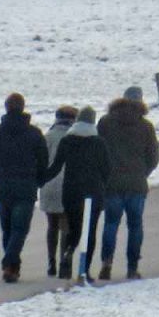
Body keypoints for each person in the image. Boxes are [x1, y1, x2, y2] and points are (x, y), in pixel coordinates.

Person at [0, 92, 49, 284]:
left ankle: (11, 267)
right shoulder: (34, 133)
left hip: (2, 185)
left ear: (6, 108)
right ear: (23, 108)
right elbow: (43, 160)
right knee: (20, 229)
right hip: (25, 185)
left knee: (7, 228)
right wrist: (38, 180)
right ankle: (10, 264)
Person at [37, 103, 109, 284]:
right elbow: (106, 170)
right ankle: (84, 271)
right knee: (89, 232)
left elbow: (56, 167)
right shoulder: (99, 143)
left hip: (71, 192)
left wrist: (40, 180)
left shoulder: (67, 141)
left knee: (74, 229)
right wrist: (104, 186)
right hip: (92, 193)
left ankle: (68, 251)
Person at [96, 84, 159, 282]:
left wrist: (104, 174)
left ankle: (106, 263)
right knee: (135, 226)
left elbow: (98, 150)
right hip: (136, 185)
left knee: (110, 224)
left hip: (112, 183)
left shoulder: (105, 123)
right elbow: (154, 156)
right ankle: (132, 268)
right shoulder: (146, 126)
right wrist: (142, 173)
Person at [36, 103, 79, 278]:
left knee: (52, 225)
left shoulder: (47, 137)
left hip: (48, 185)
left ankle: (51, 262)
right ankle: (64, 263)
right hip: (68, 186)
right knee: (66, 226)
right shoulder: (75, 138)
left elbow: (40, 161)